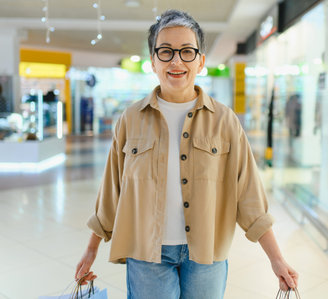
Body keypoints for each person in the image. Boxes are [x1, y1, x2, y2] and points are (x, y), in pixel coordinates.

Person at [75, 9, 298, 299]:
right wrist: (90, 250)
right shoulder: (130, 119)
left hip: (206, 253)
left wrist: (276, 258)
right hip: (146, 254)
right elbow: (111, 193)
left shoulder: (224, 120)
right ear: (153, 61)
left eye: (187, 51)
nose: (176, 60)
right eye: (166, 51)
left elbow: (249, 195)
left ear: (201, 61)